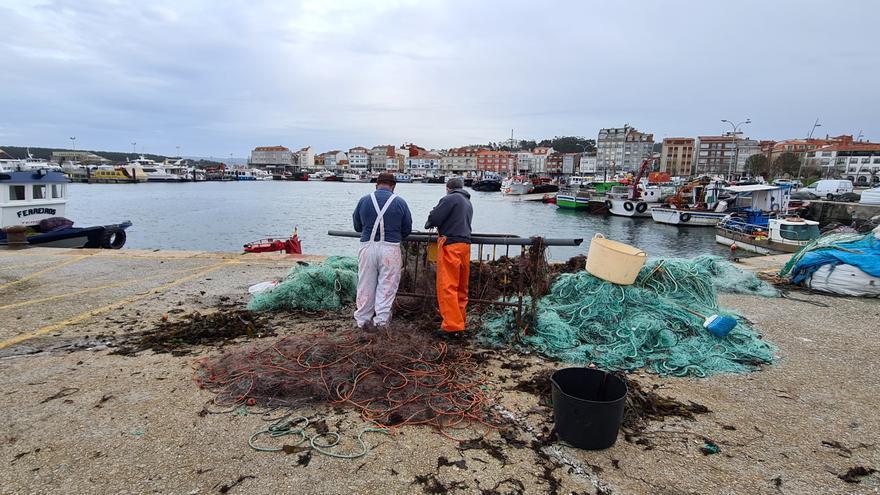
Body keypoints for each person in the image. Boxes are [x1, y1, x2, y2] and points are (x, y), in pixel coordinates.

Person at [352, 172, 413, 328]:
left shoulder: (364, 201)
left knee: (365, 284)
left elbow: (357, 226)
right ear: (393, 186)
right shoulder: (400, 202)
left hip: (367, 246)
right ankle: (381, 322)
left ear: (376, 184)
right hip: (390, 248)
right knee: (387, 286)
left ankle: (363, 321)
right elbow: (406, 229)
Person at [425, 177, 473, 333]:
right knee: (461, 287)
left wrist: (429, 222)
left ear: (448, 188)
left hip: (451, 244)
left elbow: (435, 218)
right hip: (465, 245)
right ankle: (460, 320)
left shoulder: (450, 198)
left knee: (448, 285)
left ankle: (452, 326)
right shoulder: (467, 201)